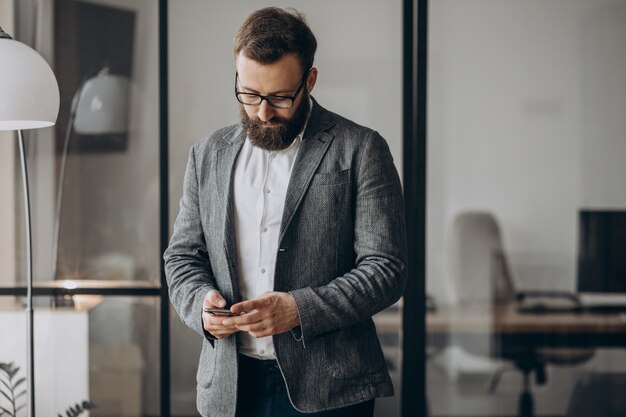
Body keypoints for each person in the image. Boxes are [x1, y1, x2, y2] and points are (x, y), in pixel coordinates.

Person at [164, 7, 407, 417]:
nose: (262, 112)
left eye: (279, 97)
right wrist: (202, 306)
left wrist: (298, 310)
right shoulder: (206, 155)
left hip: (330, 389)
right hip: (230, 387)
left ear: (309, 81)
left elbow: (386, 269)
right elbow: (182, 257)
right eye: (249, 94)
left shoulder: (361, 148)